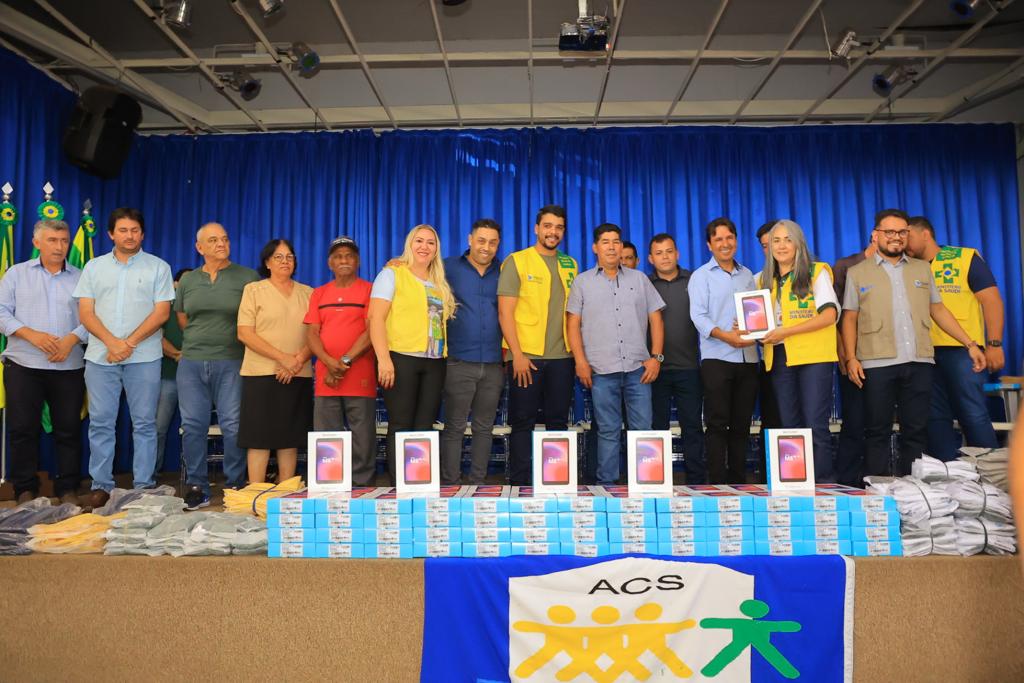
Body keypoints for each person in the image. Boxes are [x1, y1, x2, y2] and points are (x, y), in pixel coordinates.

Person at [841, 209, 986, 478]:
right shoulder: (857, 273)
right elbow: (850, 317)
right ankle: (878, 490)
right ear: (876, 235)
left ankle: (913, 491)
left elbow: (938, 310)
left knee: (916, 431)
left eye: (902, 232)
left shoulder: (922, 268)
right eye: (889, 232)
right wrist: (850, 358)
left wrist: (970, 344)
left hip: (919, 361)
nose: (896, 237)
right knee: (877, 431)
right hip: (876, 363)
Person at [74, 207, 174, 510]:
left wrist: (127, 343)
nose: (129, 236)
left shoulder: (158, 267)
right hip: (100, 357)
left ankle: (143, 486)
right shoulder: (93, 267)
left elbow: (162, 313)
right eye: (123, 230)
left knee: (144, 423)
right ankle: (101, 486)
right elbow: (86, 313)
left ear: (142, 234)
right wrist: (111, 343)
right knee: (101, 423)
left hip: (144, 357)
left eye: (135, 230)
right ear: (111, 234)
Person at [567, 224, 665, 484]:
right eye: (606, 242)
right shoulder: (582, 282)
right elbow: (572, 324)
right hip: (601, 371)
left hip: (638, 370)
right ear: (595, 247)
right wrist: (580, 361)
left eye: (616, 242)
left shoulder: (639, 279)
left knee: (643, 430)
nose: (611, 247)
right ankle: (607, 487)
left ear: (621, 247)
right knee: (608, 430)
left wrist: (656, 357)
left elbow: (656, 318)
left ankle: (645, 484)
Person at [0, 220, 87, 504]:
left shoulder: (81, 277)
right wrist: (31, 335)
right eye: (52, 240)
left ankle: (68, 488)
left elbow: (94, 318)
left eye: (64, 240)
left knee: (68, 430)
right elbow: (1, 312)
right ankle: (24, 489)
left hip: (68, 365)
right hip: (23, 364)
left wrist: (71, 339)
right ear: (36, 242)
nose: (60, 247)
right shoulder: (16, 274)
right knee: (22, 429)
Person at [174, 223, 259, 510]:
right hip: (192, 362)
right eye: (213, 240)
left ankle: (234, 483)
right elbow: (183, 318)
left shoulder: (247, 277)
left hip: (232, 360)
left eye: (224, 238)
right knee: (193, 425)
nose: (221, 244)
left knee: (233, 425)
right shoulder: (188, 280)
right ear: (199, 247)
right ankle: (197, 486)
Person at [906, 216, 1003, 461]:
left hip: (962, 350)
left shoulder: (963, 258)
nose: (903, 242)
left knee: (973, 413)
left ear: (925, 234)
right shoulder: (907, 267)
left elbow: (991, 300)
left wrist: (994, 344)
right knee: (934, 418)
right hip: (923, 353)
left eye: (909, 235)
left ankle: (989, 472)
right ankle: (946, 472)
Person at [497, 205, 579, 486]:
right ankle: (520, 483)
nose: (552, 232)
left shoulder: (570, 264)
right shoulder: (517, 261)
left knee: (558, 421)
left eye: (559, 227)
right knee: (523, 421)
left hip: (562, 357)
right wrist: (517, 355)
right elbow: (505, 313)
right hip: (526, 358)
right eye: (547, 226)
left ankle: (556, 482)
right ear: (536, 228)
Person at [368, 225, 456, 484]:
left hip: (435, 362)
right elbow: (375, 319)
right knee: (400, 424)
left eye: (430, 242)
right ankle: (400, 484)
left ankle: (419, 482)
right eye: (419, 241)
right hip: (400, 358)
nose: (424, 246)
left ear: (436, 249)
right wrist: (384, 359)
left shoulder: (439, 282)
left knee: (425, 425)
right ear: (409, 244)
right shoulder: (391, 274)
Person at [759, 220, 840, 483]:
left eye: (788, 239)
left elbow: (829, 315)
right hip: (779, 357)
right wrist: (748, 328)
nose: (781, 246)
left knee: (814, 425)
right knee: (789, 427)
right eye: (776, 240)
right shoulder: (763, 280)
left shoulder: (817, 272)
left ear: (799, 243)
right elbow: (761, 322)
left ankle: (823, 486)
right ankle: (795, 486)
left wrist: (787, 331)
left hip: (814, 358)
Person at [237, 239, 314, 486]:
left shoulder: (309, 293)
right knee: (258, 437)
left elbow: (317, 335)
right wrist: (283, 359)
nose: (285, 261)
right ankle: (255, 493)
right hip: (260, 373)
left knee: (289, 437)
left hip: (298, 373)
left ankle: (286, 493)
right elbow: (244, 333)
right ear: (267, 262)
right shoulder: (253, 290)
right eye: (278, 257)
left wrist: (296, 361)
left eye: (289, 257)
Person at [688, 217, 759, 484]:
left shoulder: (748, 275)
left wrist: (755, 331)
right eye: (718, 239)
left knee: (742, 425)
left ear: (736, 241)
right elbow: (698, 316)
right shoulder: (701, 276)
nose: (725, 243)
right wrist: (726, 336)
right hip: (717, 358)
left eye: (729, 237)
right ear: (709, 245)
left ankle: (739, 481)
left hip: (748, 358)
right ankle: (718, 484)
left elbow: (756, 313)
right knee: (717, 424)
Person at [304, 236, 377, 487]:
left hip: (359, 374)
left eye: (349, 256)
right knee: (327, 435)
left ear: (358, 261)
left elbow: (371, 331)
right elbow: (311, 334)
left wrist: (343, 361)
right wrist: (328, 361)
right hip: (326, 376)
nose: (344, 260)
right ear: (329, 263)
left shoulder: (370, 290)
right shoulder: (319, 293)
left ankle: (362, 485)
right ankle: (330, 484)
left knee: (363, 435)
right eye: (338, 256)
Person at [440, 219, 504, 485]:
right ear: (470, 240)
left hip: (494, 363)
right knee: (454, 427)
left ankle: (478, 484)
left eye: (492, 242)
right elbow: (415, 272)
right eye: (481, 241)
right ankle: (451, 484)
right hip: (458, 361)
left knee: (484, 428)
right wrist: (396, 263)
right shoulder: (447, 267)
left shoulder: (505, 271)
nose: (486, 247)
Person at [647, 233, 706, 484]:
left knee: (692, 427)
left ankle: (696, 482)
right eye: (659, 253)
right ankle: (657, 481)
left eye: (669, 251)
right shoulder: (644, 284)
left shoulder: (694, 281)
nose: (665, 257)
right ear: (651, 259)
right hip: (654, 369)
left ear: (677, 254)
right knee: (656, 429)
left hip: (689, 367)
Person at [832, 233, 877, 486]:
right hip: (853, 356)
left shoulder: (901, 267)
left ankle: (876, 480)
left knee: (879, 424)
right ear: (875, 235)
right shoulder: (845, 266)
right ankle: (847, 483)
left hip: (885, 357)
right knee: (854, 421)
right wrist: (844, 353)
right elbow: (836, 316)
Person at [155, 267, 190, 473]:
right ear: (175, 284)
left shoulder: (200, 307)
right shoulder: (164, 307)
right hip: (167, 376)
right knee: (158, 427)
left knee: (193, 429)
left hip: (195, 379)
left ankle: (193, 475)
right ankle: (150, 474)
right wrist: (178, 355)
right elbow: (156, 336)